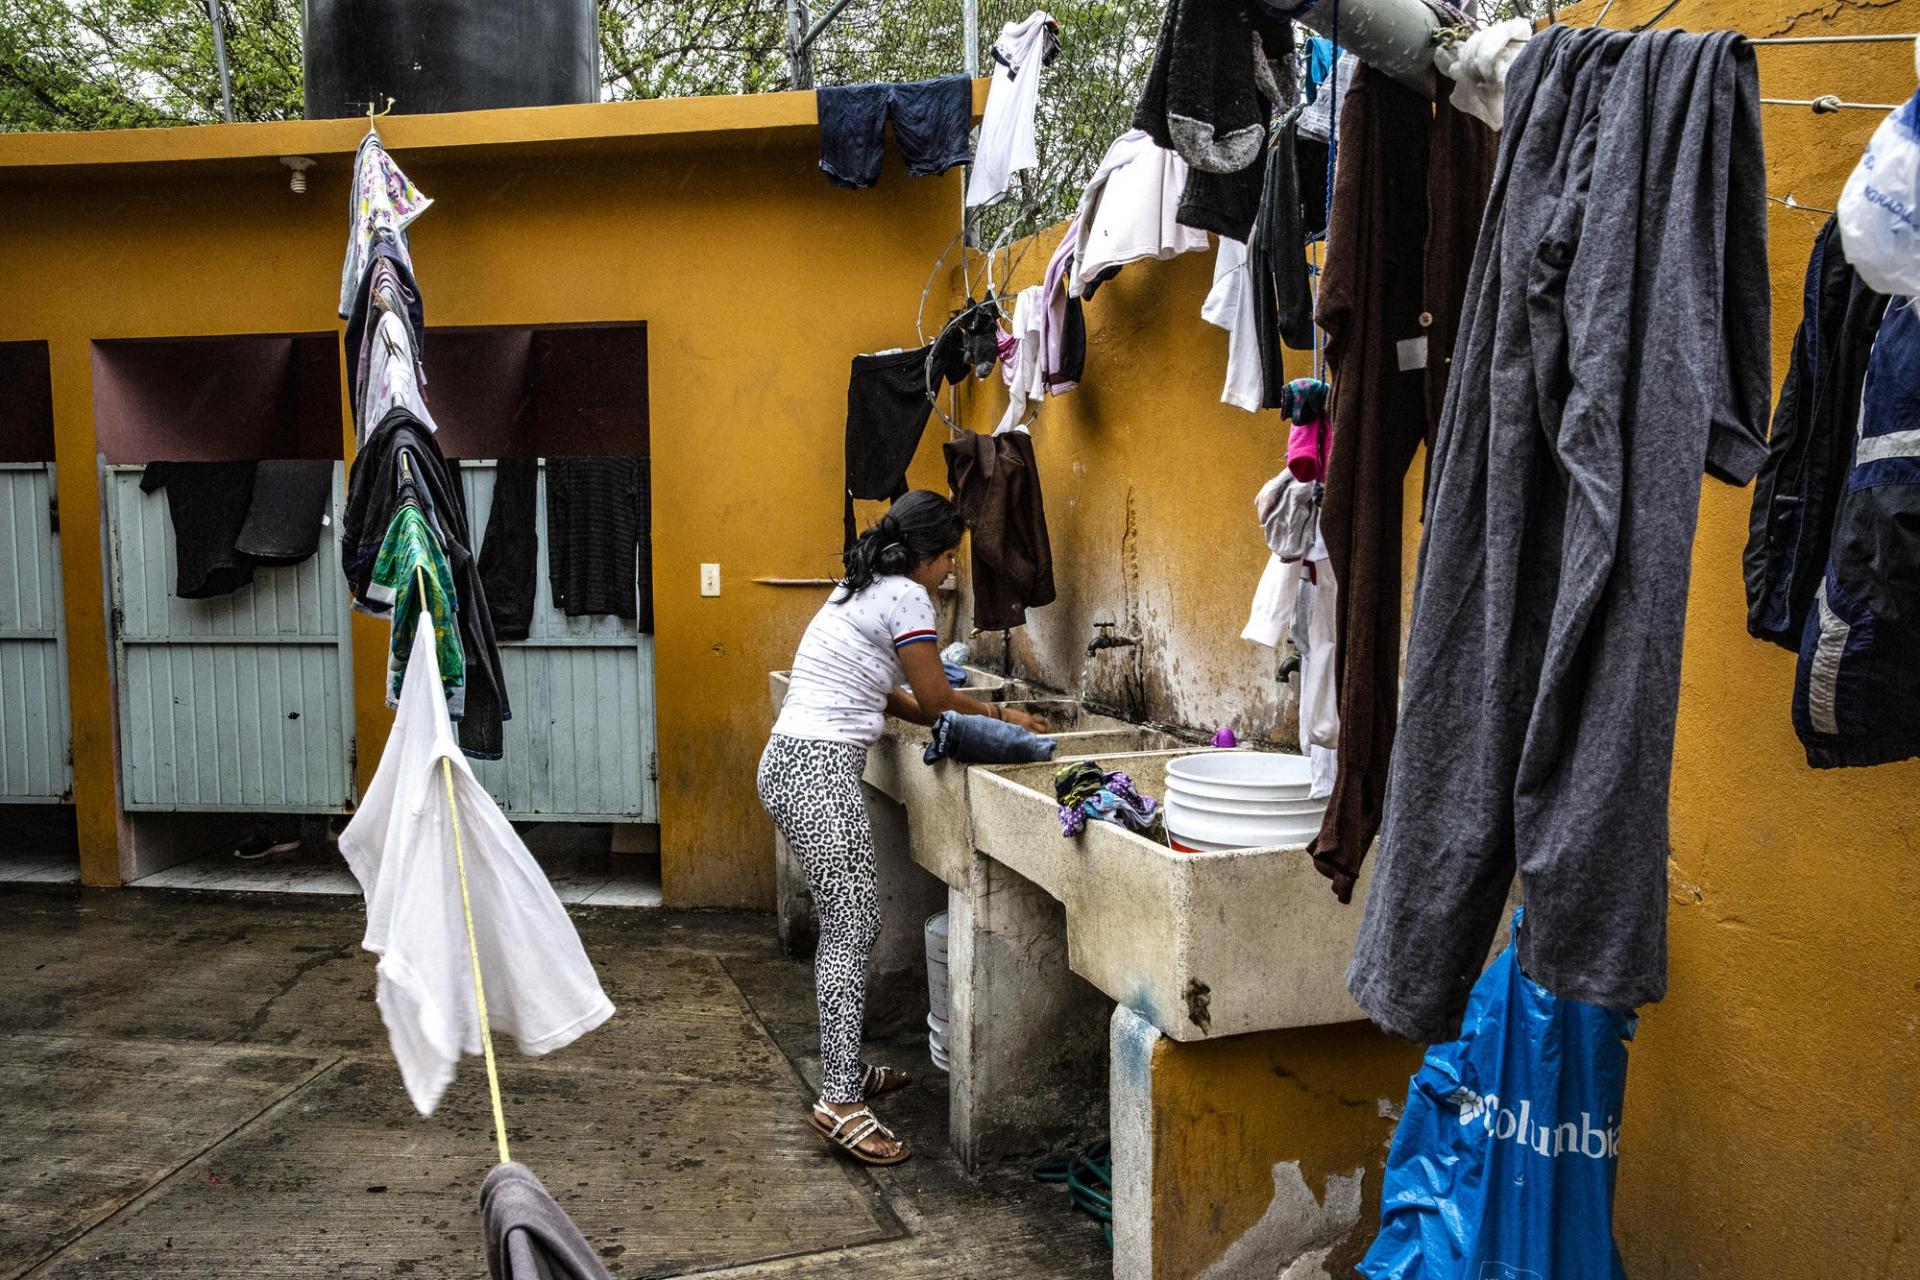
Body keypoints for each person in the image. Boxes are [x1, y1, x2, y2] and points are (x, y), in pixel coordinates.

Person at [758, 490, 1047, 1166]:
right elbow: (941, 697)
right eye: (948, 557)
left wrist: (943, 715)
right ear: (926, 555)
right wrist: (1009, 722)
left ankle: (844, 1069)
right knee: (851, 928)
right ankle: (838, 1098)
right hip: (817, 772)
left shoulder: (862, 586)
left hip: (792, 762)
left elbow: (889, 691)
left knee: (850, 925)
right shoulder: (910, 599)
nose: (951, 570)